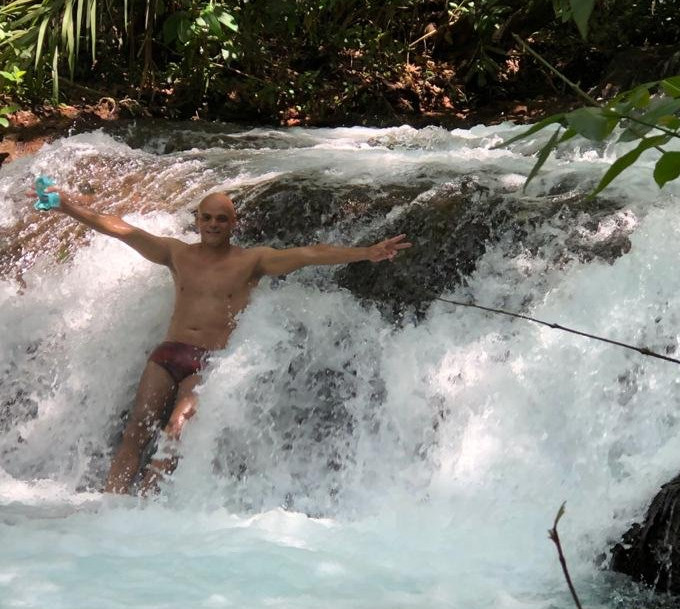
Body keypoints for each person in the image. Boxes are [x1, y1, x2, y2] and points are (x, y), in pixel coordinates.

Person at [33, 188, 410, 495]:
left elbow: (310, 254)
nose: (213, 224)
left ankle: (143, 504)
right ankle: (109, 502)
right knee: (136, 430)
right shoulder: (175, 253)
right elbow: (122, 230)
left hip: (207, 362)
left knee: (177, 429)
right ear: (197, 220)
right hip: (167, 355)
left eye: (221, 219)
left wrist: (366, 253)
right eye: (207, 217)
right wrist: (67, 206)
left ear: (233, 223)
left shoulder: (252, 261)